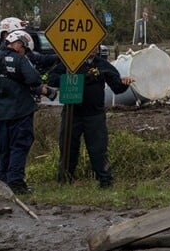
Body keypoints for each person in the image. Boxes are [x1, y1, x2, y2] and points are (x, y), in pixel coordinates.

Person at [46, 46, 132, 189]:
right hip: (72, 113)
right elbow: (51, 79)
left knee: (98, 149)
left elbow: (117, 86)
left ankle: (105, 181)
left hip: (94, 114)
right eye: (90, 46)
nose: (93, 49)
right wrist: (72, 78)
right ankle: (64, 180)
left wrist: (125, 84)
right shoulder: (71, 63)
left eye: (96, 47)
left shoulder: (102, 64)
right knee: (68, 148)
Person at [0, 29, 50, 194]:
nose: (25, 52)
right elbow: (34, 80)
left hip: (0, 115)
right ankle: (16, 184)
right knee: (19, 146)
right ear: (19, 44)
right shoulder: (20, 60)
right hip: (21, 113)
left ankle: (0, 182)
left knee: (1, 148)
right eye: (24, 49)